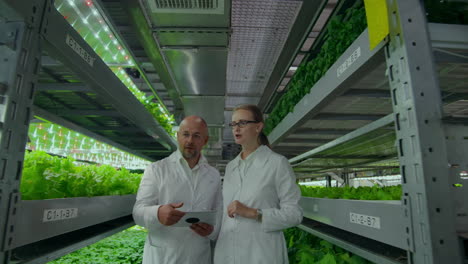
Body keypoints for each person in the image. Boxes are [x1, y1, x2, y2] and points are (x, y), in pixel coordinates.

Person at [213, 104, 303, 264]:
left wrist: (254, 213)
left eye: (242, 123)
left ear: (258, 127)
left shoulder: (277, 163)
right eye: (233, 124)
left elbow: (294, 215)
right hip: (228, 253)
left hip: (261, 253)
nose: (236, 128)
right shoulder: (231, 167)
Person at [133, 115, 222, 264]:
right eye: (185, 134)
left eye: (196, 136)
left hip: (198, 256)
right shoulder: (157, 170)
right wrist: (158, 212)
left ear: (205, 141)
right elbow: (138, 213)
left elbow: (219, 213)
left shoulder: (213, 175)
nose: (190, 141)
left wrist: (212, 231)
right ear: (178, 136)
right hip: (164, 257)